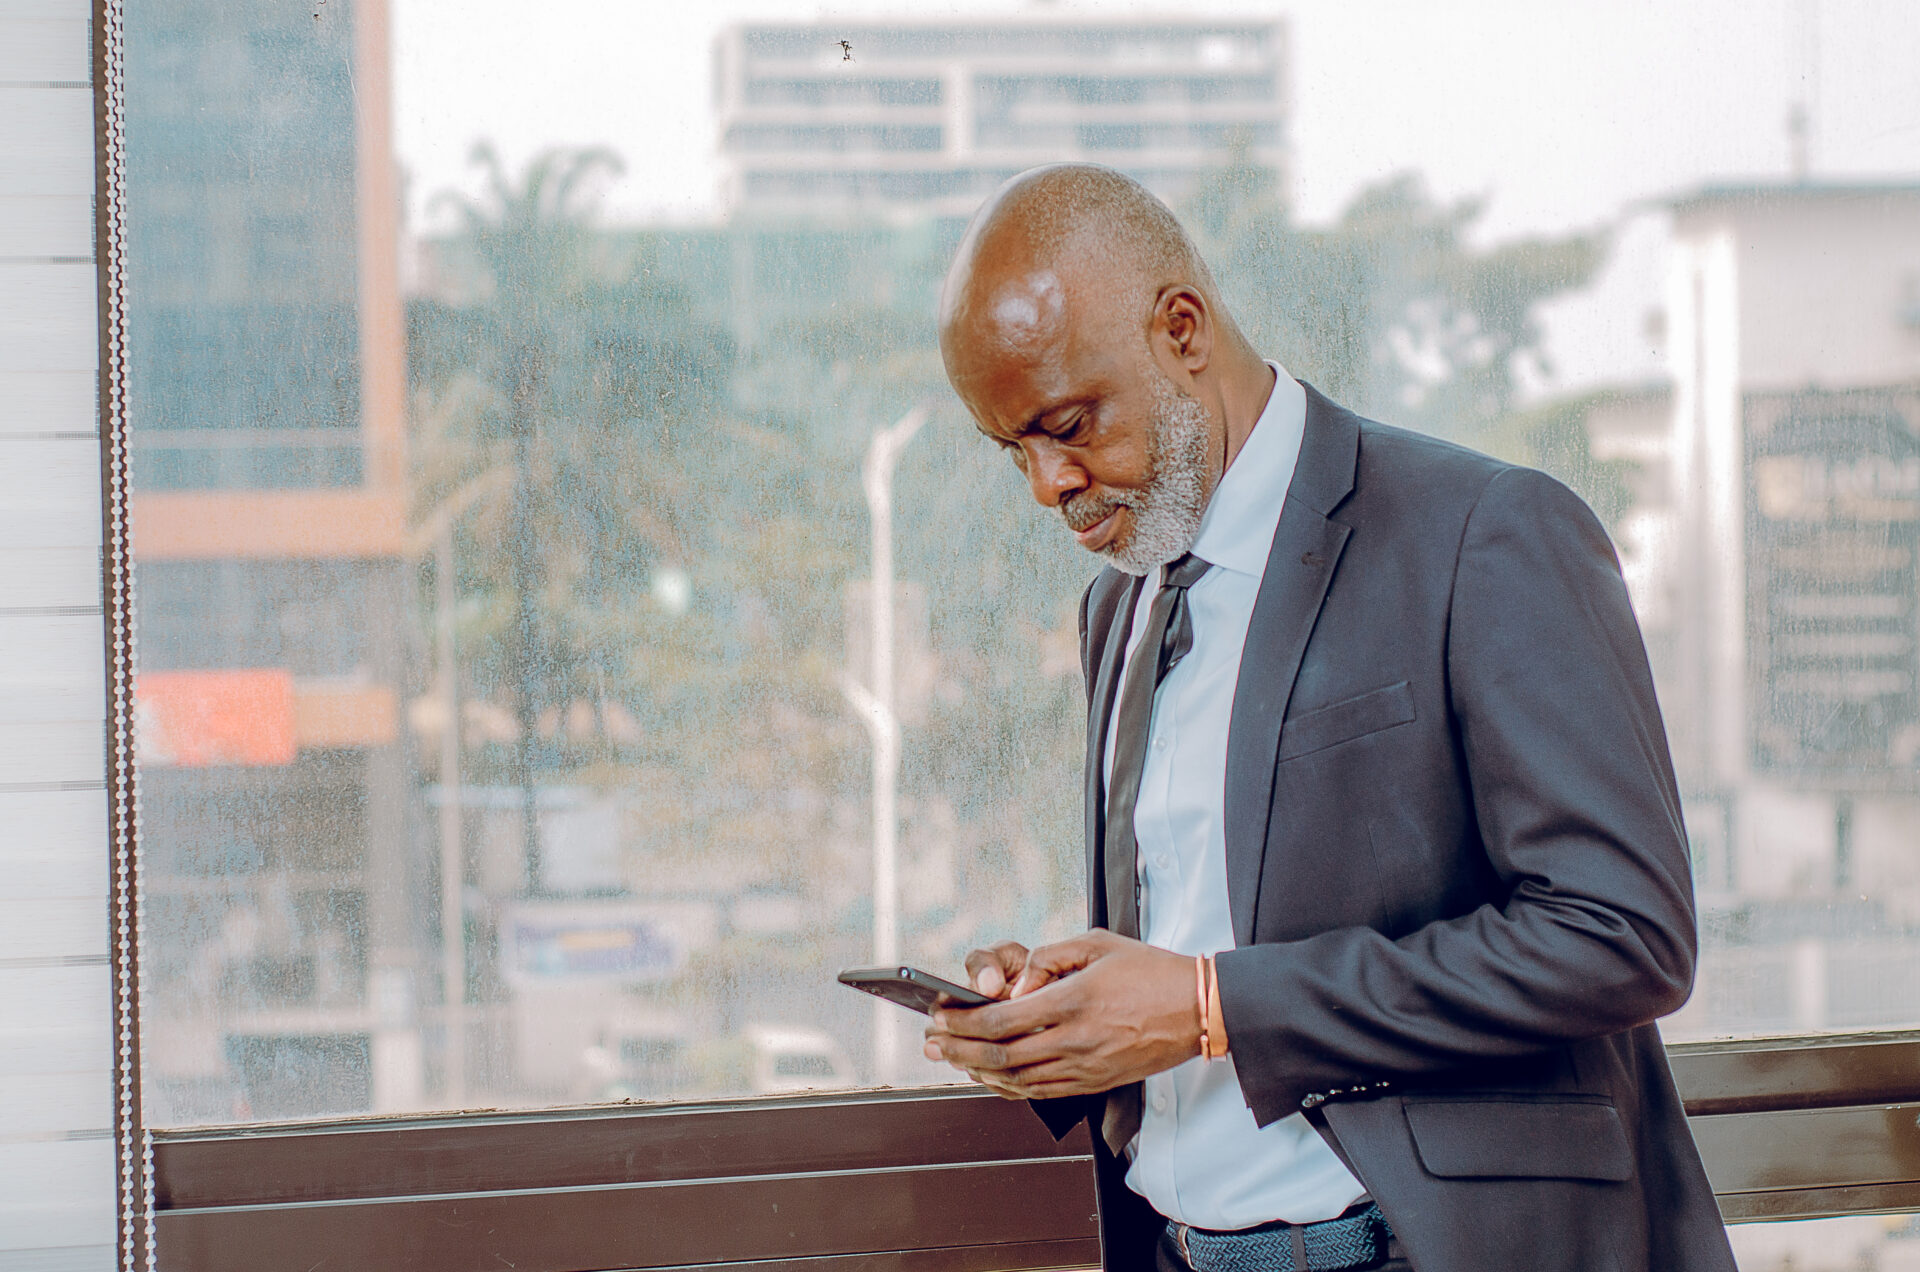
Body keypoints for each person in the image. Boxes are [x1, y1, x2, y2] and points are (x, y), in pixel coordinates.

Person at [922, 163, 1738, 1272]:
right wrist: (1073, 1014)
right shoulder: (1118, 606)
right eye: (1012, 448)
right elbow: (1213, 928)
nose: (1045, 484)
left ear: (1181, 329)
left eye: (1066, 424)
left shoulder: (1484, 533)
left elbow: (1623, 935)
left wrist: (1212, 1004)